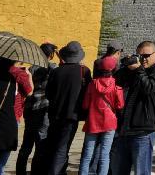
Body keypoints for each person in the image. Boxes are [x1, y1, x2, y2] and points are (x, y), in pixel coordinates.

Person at [112, 41, 155, 175]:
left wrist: (138, 69)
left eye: (146, 56)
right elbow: (116, 81)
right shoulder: (135, 69)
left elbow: (149, 87)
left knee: (141, 172)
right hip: (123, 130)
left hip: (143, 132)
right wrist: (126, 66)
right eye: (140, 56)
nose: (143, 59)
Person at [32, 41, 91, 175]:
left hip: (54, 114)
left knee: (53, 144)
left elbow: (49, 93)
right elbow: (87, 93)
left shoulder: (57, 71)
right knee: (62, 147)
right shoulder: (84, 71)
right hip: (72, 115)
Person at [79, 55, 124, 175]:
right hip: (109, 122)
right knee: (104, 156)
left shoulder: (92, 84)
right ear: (114, 70)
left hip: (93, 121)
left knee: (87, 155)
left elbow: (85, 105)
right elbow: (120, 106)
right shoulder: (116, 87)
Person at [16, 43, 57, 175]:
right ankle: (36, 171)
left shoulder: (31, 69)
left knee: (26, 143)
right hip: (44, 108)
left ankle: (20, 171)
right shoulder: (52, 69)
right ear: (50, 55)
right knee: (41, 144)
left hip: (29, 108)